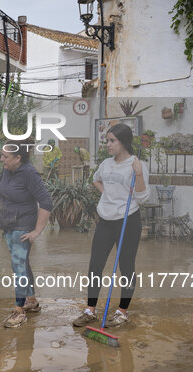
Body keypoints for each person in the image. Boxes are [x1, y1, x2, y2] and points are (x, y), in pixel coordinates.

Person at [72, 123, 150, 328]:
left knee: (126, 268)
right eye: (107, 140)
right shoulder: (106, 164)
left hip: (128, 221)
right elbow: (95, 179)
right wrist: (107, 193)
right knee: (95, 265)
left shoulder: (136, 164)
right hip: (105, 221)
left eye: (112, 140)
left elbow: (142, 197)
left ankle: (122, 312)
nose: (108, 144)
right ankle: (90, 310)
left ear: (123, 142)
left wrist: (139, 174)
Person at [0, 143, 52, 328]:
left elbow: (46, 201)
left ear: (18, 158)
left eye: (5, 156)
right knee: (22, 264)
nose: (2, 159)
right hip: (8, 225)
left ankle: (19, 310)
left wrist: (37, 231)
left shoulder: (30, 173)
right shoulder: (7, 169)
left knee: (18, 266)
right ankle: (31, 300)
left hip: (23, 225)